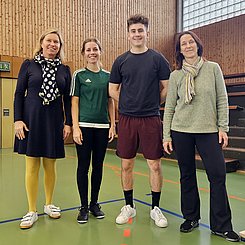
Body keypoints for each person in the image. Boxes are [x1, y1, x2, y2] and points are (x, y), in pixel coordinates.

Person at [163, 31, 240, 242]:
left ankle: (221, 226)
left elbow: (222, 100)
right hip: (181, 131)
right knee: (187, 175)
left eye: (190, 42)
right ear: (179, 50)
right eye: (183, 44)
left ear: (197, 45)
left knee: (217, 175)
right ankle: (191, 217)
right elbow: (169, 107)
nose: (187, 46)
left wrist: (222, 128)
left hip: (208, 131)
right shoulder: (176, 75)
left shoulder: (213, 68)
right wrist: (166, 136)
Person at [109, 14, 171, 228]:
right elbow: (113, 90)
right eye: (133, 31)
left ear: (147, 33)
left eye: (140, 30)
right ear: (128, 35)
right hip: (127, 119)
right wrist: (128, 102)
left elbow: (167, 88)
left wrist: (151, 102)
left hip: (151, 118)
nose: (137, 34)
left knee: (154, 164)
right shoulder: (120, 61)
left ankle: (156, 208)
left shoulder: (158, 59)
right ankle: (129, 206)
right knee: (126, 165)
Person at [14, 29, 72, 229]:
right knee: (31, 166)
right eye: (49, 40)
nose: (52, 44)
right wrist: (17, 120)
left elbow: (67, 99)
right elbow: (19, 93)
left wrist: (68, 123)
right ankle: (32, 210)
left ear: (59, 46)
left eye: (56, 42)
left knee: (50, 165)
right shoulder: (28, 65)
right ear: (41, 43)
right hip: (31, 120)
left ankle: (48, 203)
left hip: (54, 121)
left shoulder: (64, 69)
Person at [70, 38, 115, 224]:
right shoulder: (79, 75)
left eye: (95, 49)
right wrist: (75, 127)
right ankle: (83, 207)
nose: (92, 52)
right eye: (88, 50)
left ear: (100, 51)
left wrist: (113, 125)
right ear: (84, 53)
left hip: (102, 128)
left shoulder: (108, 76)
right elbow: (74, 102)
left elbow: (111, 101)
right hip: (84, 127)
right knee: (83, 166)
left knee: (98, 166)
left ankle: (94, 203)